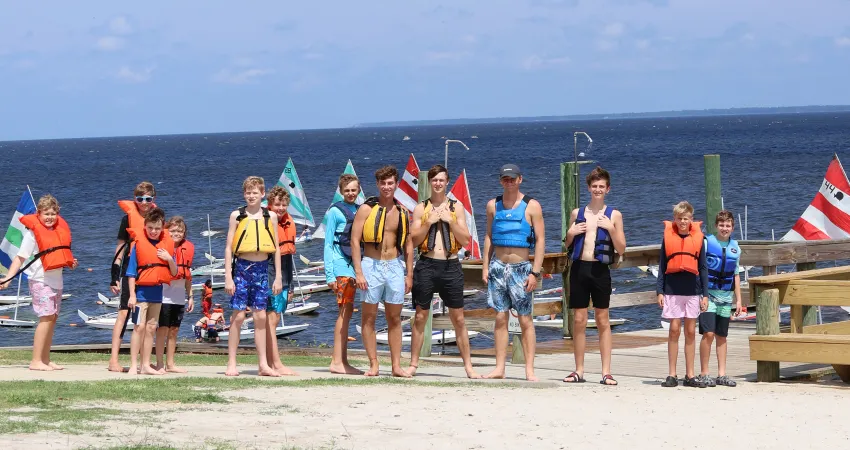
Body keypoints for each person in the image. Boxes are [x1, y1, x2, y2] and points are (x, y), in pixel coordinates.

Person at [407, 165, 480, 379]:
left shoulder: (456, 208)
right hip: (427, 265)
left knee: (458, 319)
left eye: (441, 180)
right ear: (429, 182)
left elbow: (466, 240)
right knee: (421, 317)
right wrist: (429, 222)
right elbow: (415, 240)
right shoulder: (421, 208)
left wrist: (450, 221)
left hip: (450, 265)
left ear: (447, 182)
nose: (438, 183)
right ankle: (413, 364)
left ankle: (468, 366)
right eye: (434, 180)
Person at [562, 167, 626, 386]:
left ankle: (606, 372)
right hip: (579, 269)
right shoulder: (576, 213)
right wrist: (570, 234)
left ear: (607, 189)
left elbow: (621, 248)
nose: (598, 189)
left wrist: (611, 229)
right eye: (594, 186)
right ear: (589, 188)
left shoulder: (614, 215)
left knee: (602, 320)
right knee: (579, 320)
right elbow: (567, 245)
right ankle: (578, 370)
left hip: (600, 270)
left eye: (602, 186)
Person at [482, 164, 545, 382]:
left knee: (525, 319)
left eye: (512, 178)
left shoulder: (532, 206)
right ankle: (499, 367)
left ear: (520, 179)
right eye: (505, 179)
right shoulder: (493, 205)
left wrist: (534, 273)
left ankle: (529, 370)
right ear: (501, 181)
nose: (508, 182)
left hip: (521, 269)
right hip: (498, 268)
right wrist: (485, 266)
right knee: (500, 318)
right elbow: (489, 236)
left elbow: (541, 240)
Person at [0, 194, 77, 371]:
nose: (50, 217)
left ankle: (45, 359)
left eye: (53, 213)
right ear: (39, 214)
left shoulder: (58, 231)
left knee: (53, 318)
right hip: (40, 280)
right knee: (46, 318)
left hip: (57, 281)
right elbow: (19, 258)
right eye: (46, 214)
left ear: (57, 213)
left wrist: (71, 263)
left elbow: (60, 254)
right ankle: (35, 361)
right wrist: (8, 279)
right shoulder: (32, 234)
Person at [351, 165, 414, 377]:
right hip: (372, 265)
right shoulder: (366, 209)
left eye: (390, 183)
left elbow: (408, 246)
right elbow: (354, 240)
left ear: (396, 184)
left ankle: (396, 366)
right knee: (368, 318)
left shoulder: (402, 212)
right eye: (383, 183)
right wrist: (359, 272)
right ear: (377, 184)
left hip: (395, 266)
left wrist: (409, 274)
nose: (387, 187)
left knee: (395, 318)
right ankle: (374, 363)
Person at [223, 176, 283, 377]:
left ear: (262, 194)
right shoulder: (237, 216)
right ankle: (231, 363)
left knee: (260, 316)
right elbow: (228, 248)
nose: (251, 196)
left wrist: (278, 277)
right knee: (238, 316)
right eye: (248, 192)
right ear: (244, 194)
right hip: (241, 269)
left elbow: (276, 250)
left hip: (261, 270)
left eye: (255, 192)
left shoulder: (270, 217)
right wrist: (228, 277)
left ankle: (263, 365)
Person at [657, 201, 709, 388]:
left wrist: (705, 294)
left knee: (690, 332)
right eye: (679, 218)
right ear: (675, 219)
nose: (683, 221)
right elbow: (662, 265)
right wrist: (660, 291)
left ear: (691, 219)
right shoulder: (667, 238)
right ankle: (672, 374)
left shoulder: (698, 239)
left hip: (693, 290)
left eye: (686, 218)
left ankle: (690, 375)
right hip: (672, 289)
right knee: (674, 330)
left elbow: (703, 267)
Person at [108, 181, 157, 373]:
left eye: (148, 198)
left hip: (150, 270)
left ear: (154, 198)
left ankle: (144, 361)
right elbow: (119, 250)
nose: (144, 202)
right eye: (140, 199)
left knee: (147, 317)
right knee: (123, 313)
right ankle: (113, 360)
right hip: (130, 268)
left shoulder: (157, 218)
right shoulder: (127, 219)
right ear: (134, 199)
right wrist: (114, 277)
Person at [124, 207, 177, 375]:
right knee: (138, 327)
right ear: (145, 226)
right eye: (150, 228)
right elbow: (131, 273)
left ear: (162, 228)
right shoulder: (138, 245)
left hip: (157, 295)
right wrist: (132, 295)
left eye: (157, 228)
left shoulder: (166, 247)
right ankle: (134, 364)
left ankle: (146, 365)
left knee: (150, 329)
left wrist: (169, 259)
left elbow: (174, 273)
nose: (153, 231)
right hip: (140, 295)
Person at [698, 210, 744, 387]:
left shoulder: (736, 247)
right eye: (722, 225)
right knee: (708, 334)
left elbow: (736, 274)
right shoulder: (707, 242)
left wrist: (738, 300)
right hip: (708, 296)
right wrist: (701, 294)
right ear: (716, 226)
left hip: (726, 298)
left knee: (722, 336)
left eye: (728, 225)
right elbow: (701, 268)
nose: (725, 228)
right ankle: (704, 373)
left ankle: (722, 374)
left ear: (732, 228)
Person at [323, 173, 363, 375]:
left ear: (359, 190)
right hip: (340, 268)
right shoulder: (334, 213)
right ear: (340, 191)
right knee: (343, 313)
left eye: (353, 190)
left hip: (353, 267)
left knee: (348, 312)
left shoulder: (360, 210)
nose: (350, 193)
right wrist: (329, 275)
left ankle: (342, 360)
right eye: (347, 190)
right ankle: (337, 362)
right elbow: (328, 244)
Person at [155, 216, 195, 373]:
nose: (177, 233)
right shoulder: (162, 249)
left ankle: (170, 364)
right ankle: (159, 363)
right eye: (173, 231)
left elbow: (187, 275)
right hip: (163, 295)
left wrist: (190, 296)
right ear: (166, 231)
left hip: (179, 297)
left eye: (180, 231)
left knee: (174, 330)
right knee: (162, 329)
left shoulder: (187, 248)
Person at [265, 186, 297, 376]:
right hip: (270, 274)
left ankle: (271, 362)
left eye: (284, 204)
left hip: (285, 275)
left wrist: (290, 285)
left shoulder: (288, 222)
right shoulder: (267, 221)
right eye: (277, 204)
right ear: (269, 204)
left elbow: (288, 256)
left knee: (276, 319)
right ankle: (275, 363)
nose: (280, 208)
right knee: (272, 319)